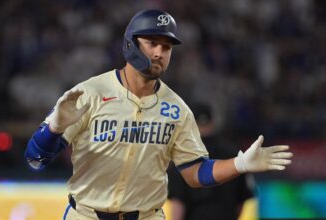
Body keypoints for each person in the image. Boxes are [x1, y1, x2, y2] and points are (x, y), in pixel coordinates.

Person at [24, 9, 293, 220]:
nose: (159, 52)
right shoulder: (89, 93)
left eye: (166, 47)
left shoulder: (176, 109)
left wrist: (239, 164)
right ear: (130, 44)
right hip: (85, 215)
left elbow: (194, 172)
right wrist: (54, 129)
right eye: (152, 42)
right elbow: (35, 160)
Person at [168, 103, 254, 220]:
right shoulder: (234, 155)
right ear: (212, 123)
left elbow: (178, 205)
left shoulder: (182, 157)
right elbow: (241, 202)